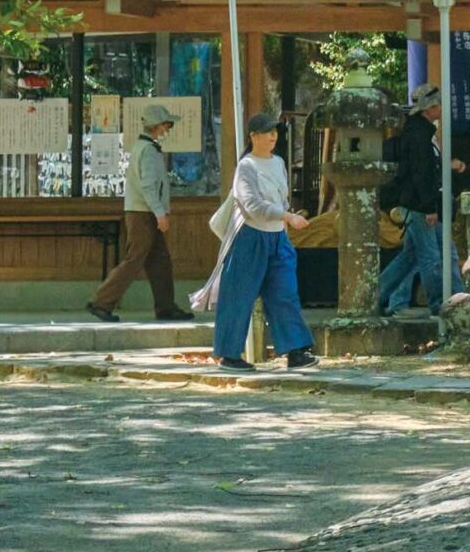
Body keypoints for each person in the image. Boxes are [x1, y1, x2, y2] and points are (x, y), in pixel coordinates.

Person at [197, 111, 317, 371]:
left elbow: (281, 198)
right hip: (249, 237)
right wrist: (286, 216)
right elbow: (251, 205)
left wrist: (288, 216)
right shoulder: (246, 166)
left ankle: (296, 351)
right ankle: (229, 355)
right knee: (238, 296)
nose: (273, 135)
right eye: (267, 131)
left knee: (285, 293)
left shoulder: (279, 163)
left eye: (275, 131)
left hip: (277, 236)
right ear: (253, 136)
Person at [87, 103, 191, 323]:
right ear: (157, 126)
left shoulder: (143, 148)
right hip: (144, 214)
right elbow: (149, 186)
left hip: (142, 211)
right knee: (134, 260)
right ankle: (101, 302)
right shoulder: (149, 151)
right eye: (165, 125)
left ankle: (166, 307)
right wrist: (160, 214)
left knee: (160, 261)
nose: (167, 129)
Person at [375, 83, 463, 317]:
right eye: (437, 105)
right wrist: (429, 207)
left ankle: (376, 295)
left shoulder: (422, 132)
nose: (440, 109)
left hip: (426, 203)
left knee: (415, 257)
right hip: (422, 206)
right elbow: (420, 174)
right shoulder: (418, 136)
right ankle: (441, 304)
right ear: (428, 109)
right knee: (432, 258)